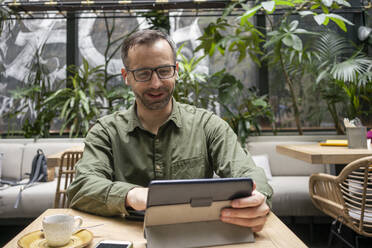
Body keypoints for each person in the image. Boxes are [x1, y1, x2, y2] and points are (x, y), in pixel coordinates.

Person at [67, 29, 273, 232]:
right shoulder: (106, 132)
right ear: (126, 77)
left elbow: (249, 174)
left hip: (195, 234)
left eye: (164, 71)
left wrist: (258, 199)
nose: (155, 83)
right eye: (143, 73)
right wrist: (134, 195)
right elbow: (82, 186)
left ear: (175, 70)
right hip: (128, 233)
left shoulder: (208, 125)